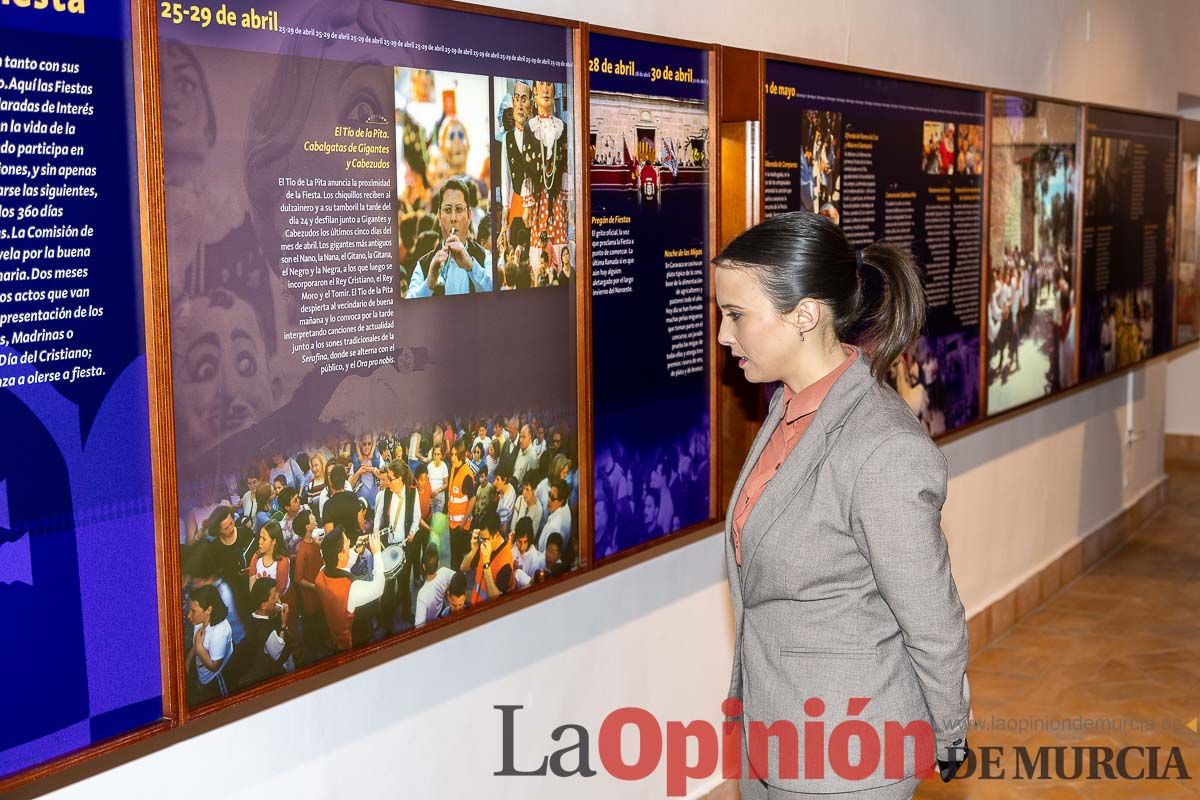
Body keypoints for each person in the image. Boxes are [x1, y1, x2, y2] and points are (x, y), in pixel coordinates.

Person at [714, 211, 970, 798]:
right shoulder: (785, 407)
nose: (725, 336)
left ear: (805, 314)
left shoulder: (884, 449)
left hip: (847, 757)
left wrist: (949, 730)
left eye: (736, 316)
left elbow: (932, 620)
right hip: (773, 736)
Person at [406, 178, 493, 297]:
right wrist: (429, 284)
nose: (453, 218)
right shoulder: (423, 265)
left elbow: (497, 296)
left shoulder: (486, 257)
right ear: (439, 216)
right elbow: (409, 309)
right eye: (447, 210)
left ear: (469, 215)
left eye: (459, 209)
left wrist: (472, 267)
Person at [314, 526, 386, 652]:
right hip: (352, 638)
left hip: (334, 631)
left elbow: (341, 565)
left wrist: (355, 550)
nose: (349, 543)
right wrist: (377, 553)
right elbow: (379, 587)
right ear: (340, 555)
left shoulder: (321, 572)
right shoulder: (351, 588)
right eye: (347, 544)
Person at [185, 584, 234, 704]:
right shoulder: (199, 621)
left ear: (208, 610)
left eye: (193, 611)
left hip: (216, 677)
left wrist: (199, 648)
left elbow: (214, 666)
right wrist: (187, 663)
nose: (188, 616)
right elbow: (196, 643)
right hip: (202, 673)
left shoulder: (219, 632)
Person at [462, 510, 514, 605]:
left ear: (496, 534)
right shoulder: (483, 545)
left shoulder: (506, 562)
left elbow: (496, 600)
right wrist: (473, 551)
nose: (482, 543)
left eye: (485, 539)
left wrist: (486, 565)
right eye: (481, 539)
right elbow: (463, 568)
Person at [413, 543, 456, 627]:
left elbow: (419, 626)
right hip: (442, 610)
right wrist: (448, 588)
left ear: (424, 566)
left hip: (431, 623)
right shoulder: (444, 572)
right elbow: (458, 577)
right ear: (438, 563)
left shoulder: (422, 595)